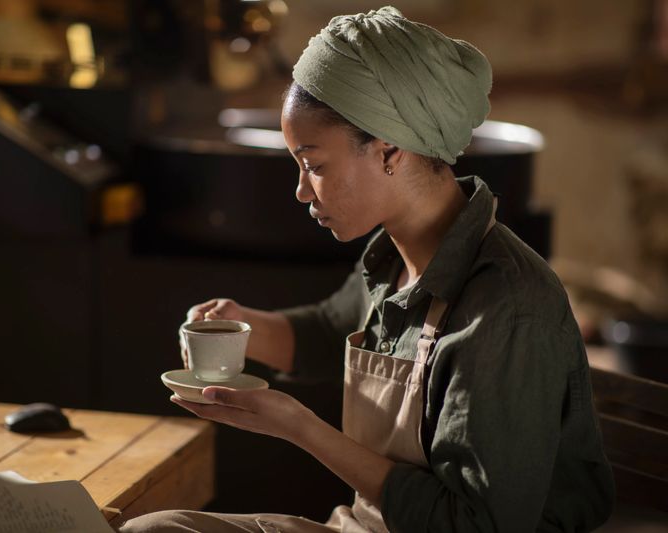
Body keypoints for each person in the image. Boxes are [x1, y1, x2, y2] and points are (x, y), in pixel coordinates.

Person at [121, 6, 614, 532]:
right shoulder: (390, 256)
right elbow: (334, 330)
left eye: (313, 165)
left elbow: (476, 524)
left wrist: (302, 429)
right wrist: (242, 328)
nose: (301, 190)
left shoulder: (507, 310)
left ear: (388, 151)